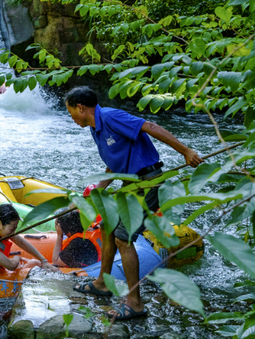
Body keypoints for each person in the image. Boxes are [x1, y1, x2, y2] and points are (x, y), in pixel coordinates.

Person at [65, 86, 203, 320]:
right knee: (107, 226)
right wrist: (97, 191)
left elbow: (150, 127)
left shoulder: (110, 116)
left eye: (71, 113)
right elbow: (114, 163)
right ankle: (102, 283)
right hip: (131, 185)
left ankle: (135, 303)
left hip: (149, 182)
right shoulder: (95, 129)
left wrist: (186, 151)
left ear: (81, 108)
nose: (72, 118)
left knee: (123, 238)